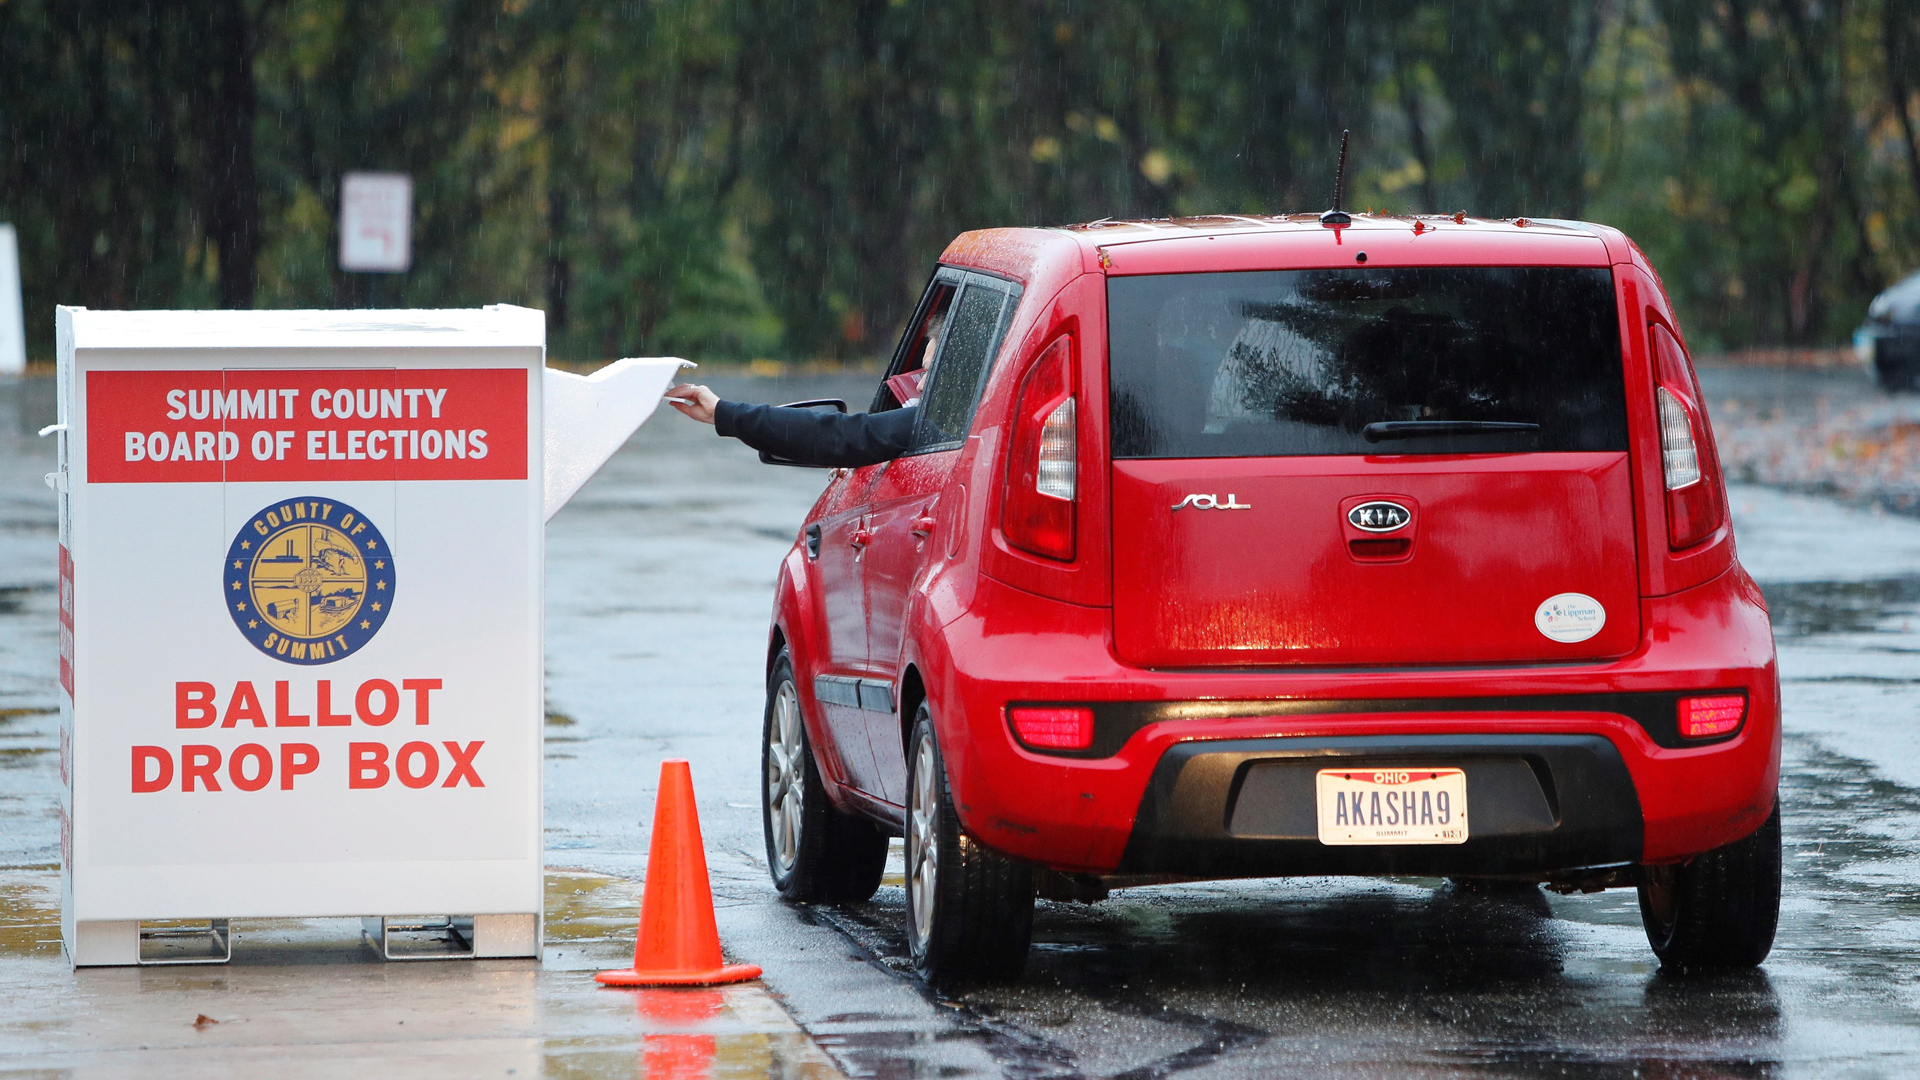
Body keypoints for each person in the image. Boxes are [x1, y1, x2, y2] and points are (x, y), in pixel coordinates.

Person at [665, 306, 944, 468]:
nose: (919, 388)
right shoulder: (972, 427)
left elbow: (842, 435)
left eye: (930, 374)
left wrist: (723, 413)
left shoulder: (936, 424)